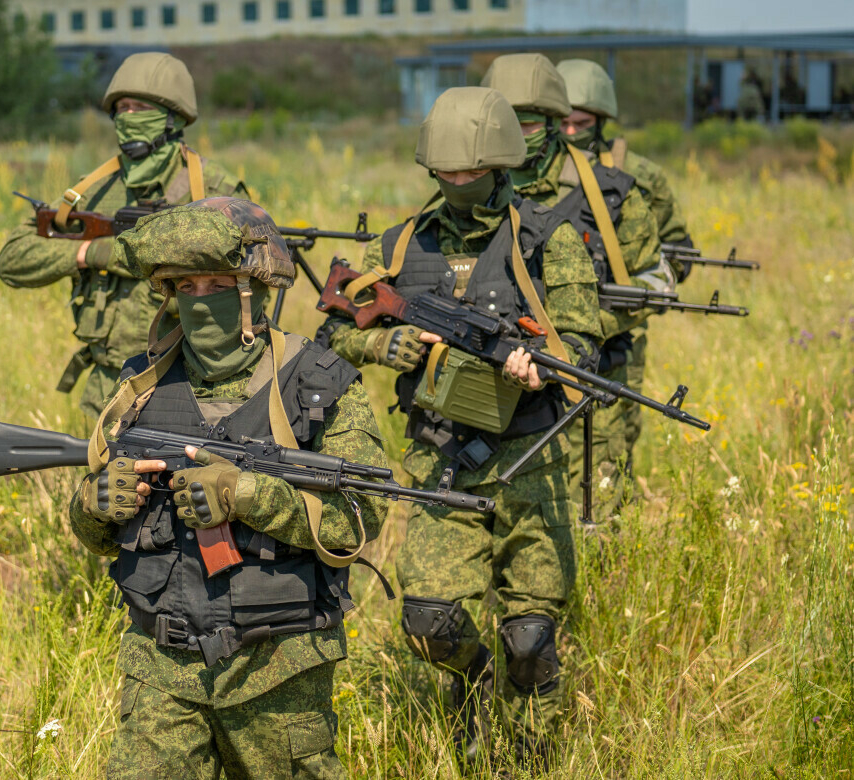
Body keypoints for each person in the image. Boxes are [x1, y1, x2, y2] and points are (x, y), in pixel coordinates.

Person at [320, 87, 603, 768]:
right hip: (442, 464)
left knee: (530, 640)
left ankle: (528, 752)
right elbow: (334, 330)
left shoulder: (546, 239)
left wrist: (544, 368)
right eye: (444, 173)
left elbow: (585, 345)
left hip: (529, 463)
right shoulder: (402, 246)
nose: (455, 184)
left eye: (469, 173)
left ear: (500, 163)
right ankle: (474, 681)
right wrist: (383, 347)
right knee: (427, 624)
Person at [67, 197, 390, 779]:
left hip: (279, 670)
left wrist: (246, 494)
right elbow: (95, 531)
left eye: (217, 282)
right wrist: (94, 504)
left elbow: (360, 520)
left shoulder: (317, 382)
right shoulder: (138, 383)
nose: (200, 299)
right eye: (185, 285)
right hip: (160, 669)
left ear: (254, 290)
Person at [0, 52, 246, 418]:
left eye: (140, 108)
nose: (128, 118)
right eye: (121, 108)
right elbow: (12, 260)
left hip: (190, 380)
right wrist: (92, 253)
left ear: (172, 115)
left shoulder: (212, 189)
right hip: (107, 382)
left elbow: (251, 287)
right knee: (94, 475)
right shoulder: (94, 191)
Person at [483, 53, 668, 520]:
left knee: (597, 505)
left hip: (597, 373)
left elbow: (656, 280)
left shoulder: (611, 192)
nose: (517, 138)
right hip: (500, 385)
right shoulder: (475, 195)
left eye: (528, 125)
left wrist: (572, 328)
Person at [556, 58, 697, 486]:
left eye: (580, 122)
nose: (569, 132)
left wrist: (620, 290)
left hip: (615, 339)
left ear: (601, 118)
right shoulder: (532, 176)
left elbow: (677, 253)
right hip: (544, 335)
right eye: (559, 122)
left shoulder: (639, 176)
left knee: (610, 450)